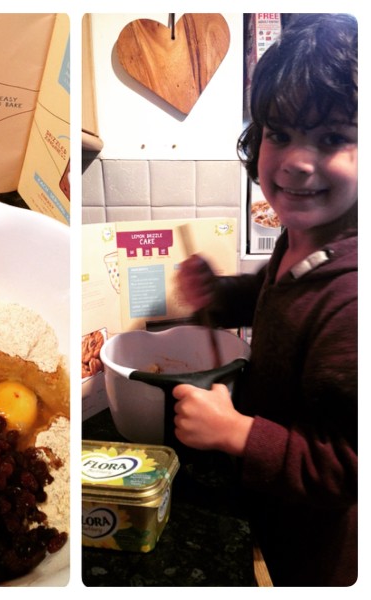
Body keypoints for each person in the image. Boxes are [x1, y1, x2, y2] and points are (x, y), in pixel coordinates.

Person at [173, 13, 357, 586]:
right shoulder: (307, 238)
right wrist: (224, 294)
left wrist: (236, 433)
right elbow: (279, 297)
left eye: (332, 138)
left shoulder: (355, 302)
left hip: (326, 549)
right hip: (274, 505)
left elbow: (346, 467)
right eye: (279, 133)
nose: (297, 162)